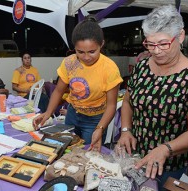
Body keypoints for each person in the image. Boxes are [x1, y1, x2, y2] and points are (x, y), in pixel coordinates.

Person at [117, 5, 188, 190]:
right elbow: (128, 101)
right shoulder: (142, 66)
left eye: (163, 43)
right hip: (135, 156)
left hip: (168, 166)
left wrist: (165, 149)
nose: (156, 51)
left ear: (181, 36)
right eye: (150, 44)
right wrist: (126, 130)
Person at [33, 16, 123, 151]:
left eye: (92, 51)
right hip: (72, 114)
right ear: (74, 47)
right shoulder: (69, 62)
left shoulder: (109, 68)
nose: (86, 57)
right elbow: (58, 91)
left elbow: (111, 105)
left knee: (87, 155)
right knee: (66, 150)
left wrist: (100, 128)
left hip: (95, 120)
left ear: (101, 44)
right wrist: (48, 112)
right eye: (80, 52)